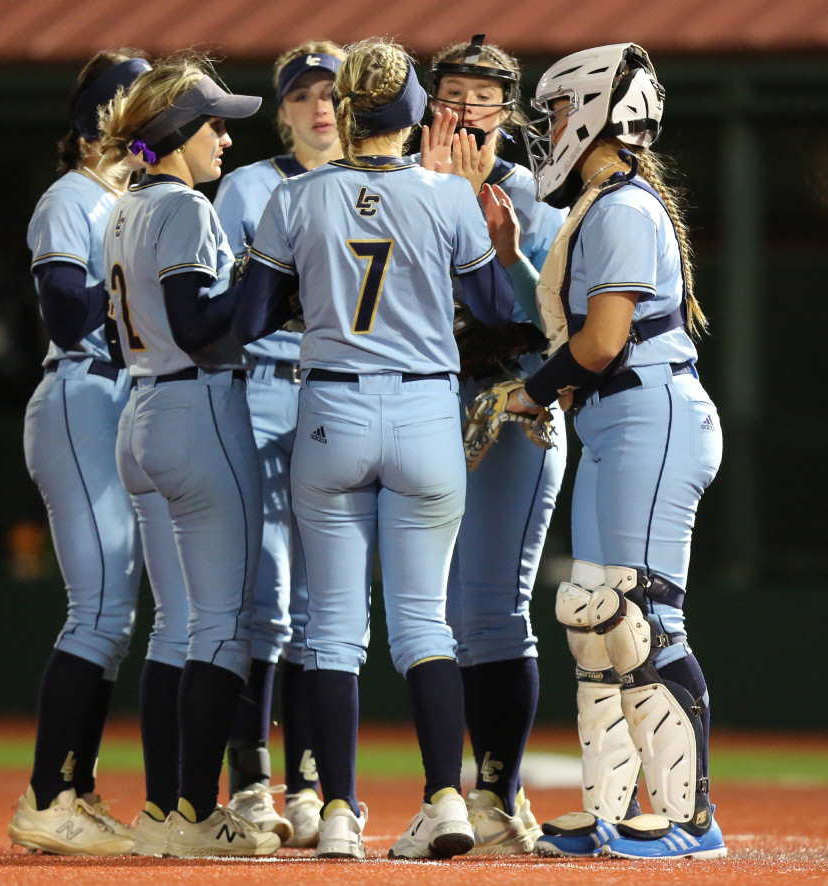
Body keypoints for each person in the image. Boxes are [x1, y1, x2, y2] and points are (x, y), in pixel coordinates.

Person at [231, 37, 517, 860]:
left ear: (348, 111)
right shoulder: (448, 195)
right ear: (416, 113)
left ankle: (342, 813)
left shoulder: (300, 195)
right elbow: (497, 310)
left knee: (332, 631)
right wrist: (472, 210)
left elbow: (251, 319)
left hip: (331, 409)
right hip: (427, 405)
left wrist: (304, 302)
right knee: (425, 622)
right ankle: (443, 801)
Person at [499, 44, 727, 859]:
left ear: (596, 110)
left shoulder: (625, 208)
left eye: (559, 112)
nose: (552, 127)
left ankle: (690, 818)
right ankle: (616, 811)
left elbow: (600, 343)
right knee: (597, 622)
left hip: (650, 417)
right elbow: (581, 335)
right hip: (619, 422)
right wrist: (508, 255)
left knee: (645, 620)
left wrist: (523, 392)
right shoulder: (601, 206)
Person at [97, 53, 280, 858]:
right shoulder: (184, 211)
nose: (225, 141)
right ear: (174, 132)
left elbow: (123, 326)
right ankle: (193, 815)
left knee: (176, 626)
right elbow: (203, 324)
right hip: (196, 407)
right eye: (212, 124)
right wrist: (272, 282)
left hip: (141, 408)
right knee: (223, 624)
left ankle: (166, 806)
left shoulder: (122, 209)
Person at [421, 35, 567, 856]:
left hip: (512, 402)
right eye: (453, 94)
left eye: (483, 96)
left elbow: (553, 332)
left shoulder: (535, 197)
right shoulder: (407, 185)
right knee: (437, 615)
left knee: (491, 608)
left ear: (507, 112)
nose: (466, 110)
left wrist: (499, 245)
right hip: (425, 404)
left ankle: (498, 797)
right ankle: (462, 794)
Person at [7, 49, 153, 857]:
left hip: (116, 401)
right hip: (81, 394)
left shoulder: (136, 200)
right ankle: (46, 794)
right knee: (97, 608)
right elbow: (67, 313)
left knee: (113, 613)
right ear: (104, 117)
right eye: (136, 102)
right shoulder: (72, 196)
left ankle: (73, 783)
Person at [212, 39, 346, 848]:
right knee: (265, 591)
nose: (320, 107)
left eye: (331, 93)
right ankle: (251, 780)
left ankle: (309, 781)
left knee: (322, 599)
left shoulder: (373, 185)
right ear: (284, 108)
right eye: (302, 95)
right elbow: (231, 301)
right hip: (263, 383)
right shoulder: (248, 186)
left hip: (337, 392)